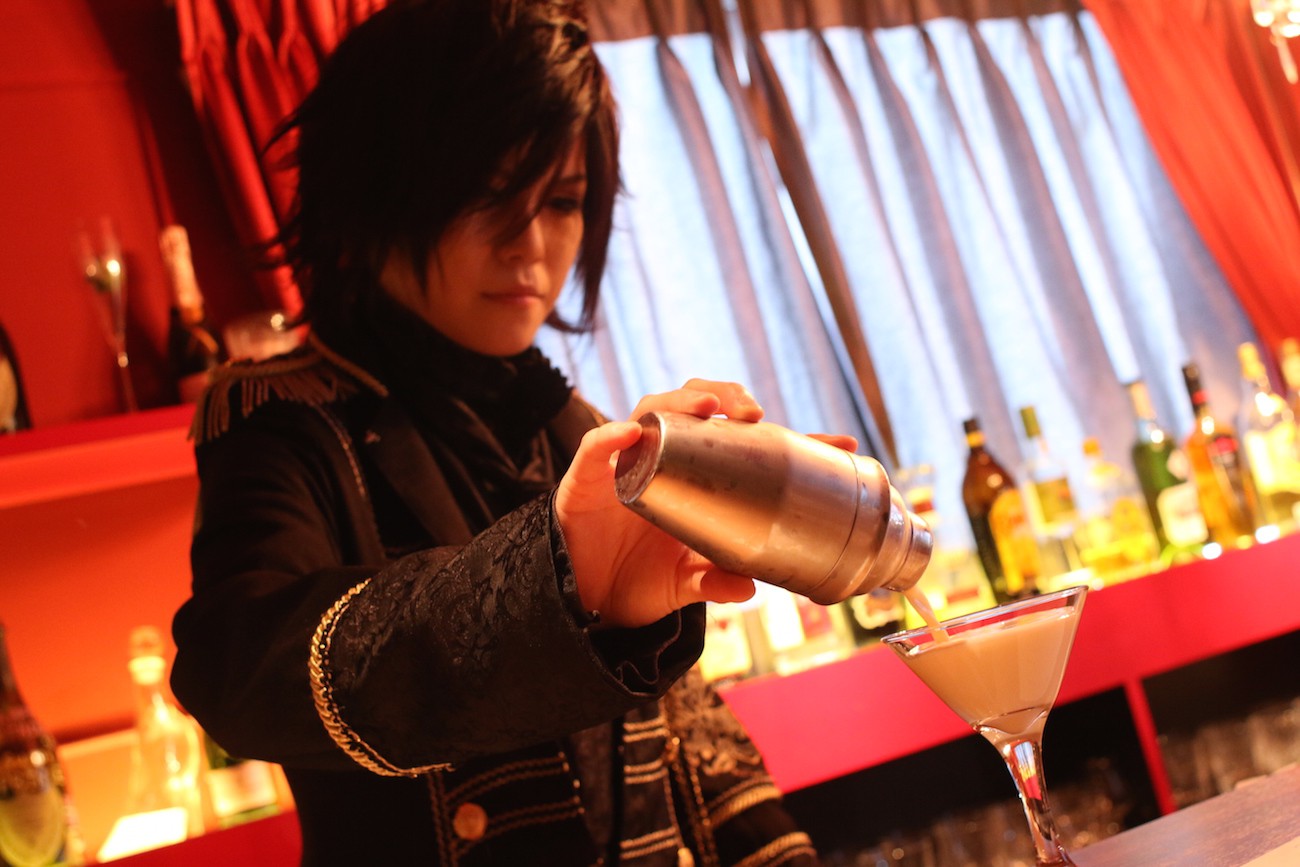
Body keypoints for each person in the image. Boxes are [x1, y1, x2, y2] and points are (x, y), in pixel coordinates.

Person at [172, 1, 834, 864]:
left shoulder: (574, 426)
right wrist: (552, 581)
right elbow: (241, 668)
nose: (531, 246)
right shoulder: (282, 417)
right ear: (373, 191)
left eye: (562, 201)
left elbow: (687, 747)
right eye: (485, 195)